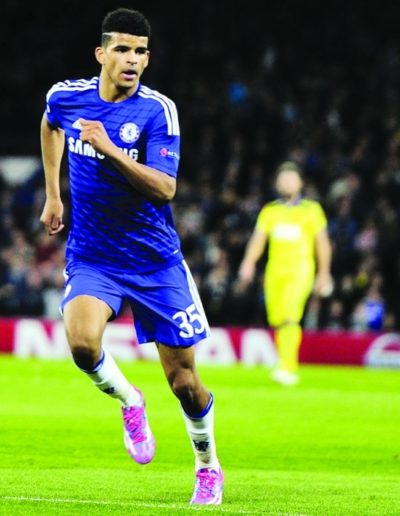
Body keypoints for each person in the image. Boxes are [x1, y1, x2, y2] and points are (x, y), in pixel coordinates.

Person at [40, 8, 223, 505]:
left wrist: (110, 148)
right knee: (82, 345)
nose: (132, 59)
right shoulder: (67, 96)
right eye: (122, 49)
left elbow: (165, 188)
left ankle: (207, 465)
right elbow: (50, 122)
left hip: (155, 263)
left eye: (140, 51)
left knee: (183, 382)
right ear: (101, 54)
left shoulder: (157, 111)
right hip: (93, 256)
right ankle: (130, 400)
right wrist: (54, 194)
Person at [238, 161, 332, 385]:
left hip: (300, 270)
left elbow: (322, 244)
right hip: (274, 271)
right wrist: (248, 263)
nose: (288, 183)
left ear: (300, 183)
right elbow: (258, 240)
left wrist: (324, 273)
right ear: (277, 184)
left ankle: (288, 368)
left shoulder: (312, 210)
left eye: (292, 179)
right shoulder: (270, 211)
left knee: (290, 316)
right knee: (279, 320)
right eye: (284, 179)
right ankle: (284, 362)